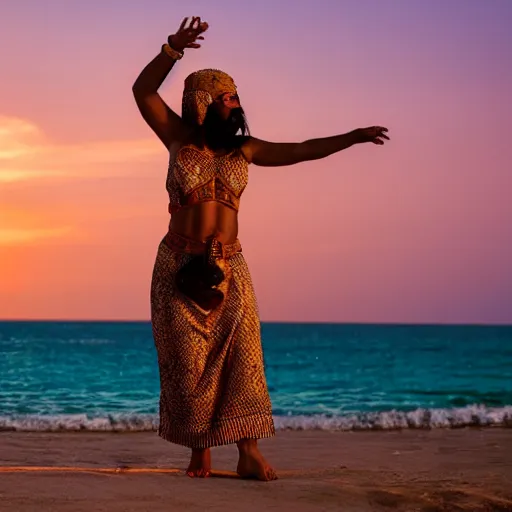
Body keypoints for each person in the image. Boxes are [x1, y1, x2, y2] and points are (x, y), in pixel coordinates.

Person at [132, 16, 390, 482]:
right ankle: (199, 451)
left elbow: (303, 149)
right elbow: (143, 92)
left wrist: (350, 138)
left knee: (243, 358)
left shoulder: (244, 150)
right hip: (177, 263)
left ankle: (248, 452)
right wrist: (172, 48)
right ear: (203, 103)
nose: (236, 104)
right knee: (187, 362)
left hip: (231, 266)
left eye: (236, 97)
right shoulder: (177, 137)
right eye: (227, 97)